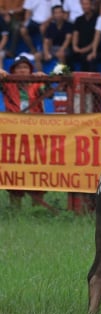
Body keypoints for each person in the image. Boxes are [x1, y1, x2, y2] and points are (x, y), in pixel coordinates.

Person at [0, 55, 47, 208]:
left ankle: (37, 206)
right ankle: (15, 206)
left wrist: (45, 79)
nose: (22, 71)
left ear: (30, 70)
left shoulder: (37, 84)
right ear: (13, 71)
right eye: (18, 68)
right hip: (14, 135)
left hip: (36, 135)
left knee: (38, 168)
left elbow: (50, 92)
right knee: (14, 168)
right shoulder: (8, 84)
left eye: (25, 67)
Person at [71, 0, 98, 72]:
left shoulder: (97, 19)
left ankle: (86, 81)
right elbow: (75, 34)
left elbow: (97, 38)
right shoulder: (78, 19)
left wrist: (85, 49)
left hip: (92, 48)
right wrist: (75, 47)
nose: (85, 6)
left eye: (87, 4)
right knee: (68, 56)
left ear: (91, 5)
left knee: (87, 57)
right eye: (83, 4)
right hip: (79, 48)